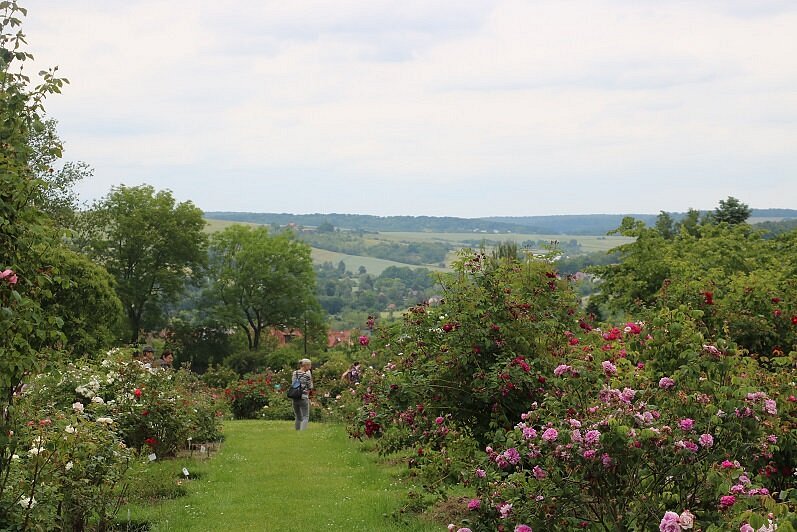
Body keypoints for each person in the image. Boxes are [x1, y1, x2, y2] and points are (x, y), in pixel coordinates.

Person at [291, 358, 313, 431]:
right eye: (309, 365)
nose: (310, 367)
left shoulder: (295, 373)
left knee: (298, 416)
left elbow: (293, 384)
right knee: (305, 416)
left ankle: (297, 431)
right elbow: (310, 387)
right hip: (303, 397)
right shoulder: (307, 375)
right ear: (306, 365)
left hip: (295, 396)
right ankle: (302, 433)